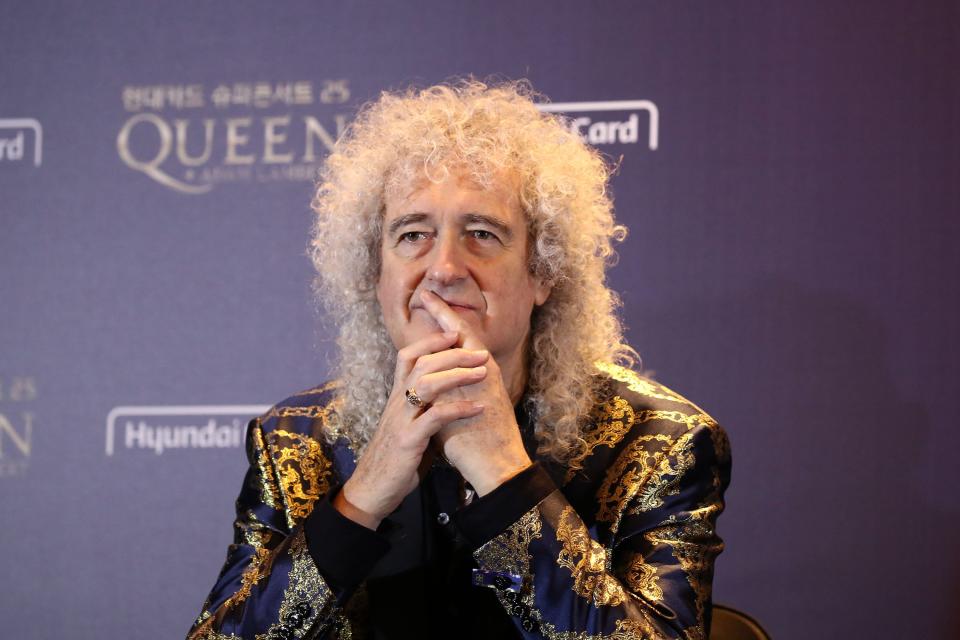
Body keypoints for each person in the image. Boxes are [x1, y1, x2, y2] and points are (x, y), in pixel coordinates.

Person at [187, 79, 731, 640]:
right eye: (413, 234)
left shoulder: (660, 443)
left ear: (542, 272)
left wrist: (505, 476)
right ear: (377, 275)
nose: (443, 268)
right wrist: (364, 496)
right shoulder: (294, 441)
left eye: (481, 233)